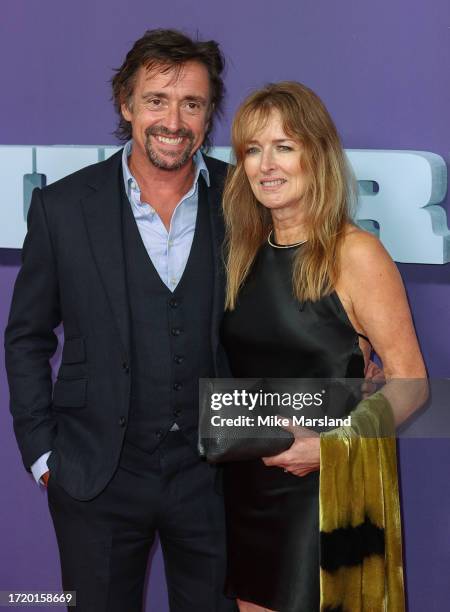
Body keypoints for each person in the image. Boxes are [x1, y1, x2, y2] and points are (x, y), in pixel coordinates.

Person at [4, 29, 236, 612]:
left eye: (193, 103)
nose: (174, 121)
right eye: (156, 99)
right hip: (95, 476)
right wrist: (43, 455)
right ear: (126, 104)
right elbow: (27, 337)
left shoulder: (243, 204)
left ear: (209, 115)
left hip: (216, 479)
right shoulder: (62, 208)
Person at [220, 82, 427, 612]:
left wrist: (331, 447)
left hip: (324, 494)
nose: (266, 164)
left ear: (317, 153)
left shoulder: (356, 254)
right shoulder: (241, 253)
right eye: (252, 149)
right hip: (244, 494)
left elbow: (411, 380)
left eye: (284, 146)